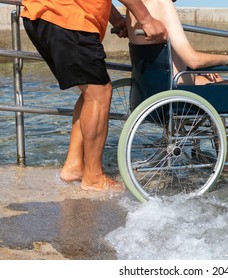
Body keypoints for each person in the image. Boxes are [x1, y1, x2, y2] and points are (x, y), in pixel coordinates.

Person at [21, 0, 168, 192]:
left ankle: (74, 166)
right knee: (100, 94)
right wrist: (147, 20)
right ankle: (94, 178)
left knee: (91, 92)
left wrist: (116, 19)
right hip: (68, 18)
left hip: (47, 15)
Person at [124, 0, 228, 176]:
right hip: (176, 99)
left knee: (212, 81)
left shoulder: (134, 10)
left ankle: (226, 155)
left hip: (149, 96)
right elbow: (193, 59)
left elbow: (166, 61)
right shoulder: (162, 3)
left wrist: (200, 73)